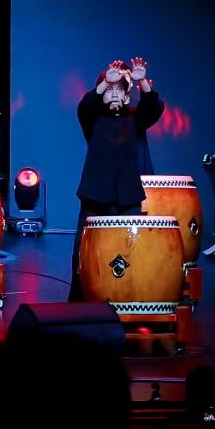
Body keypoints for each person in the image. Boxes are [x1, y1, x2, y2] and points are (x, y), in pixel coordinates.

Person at [71, 57, 163, 299]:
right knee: (85, 252)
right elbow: (85, 106)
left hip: (127, 196)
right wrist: (105, 83)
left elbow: (152, 109)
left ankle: (129, 300)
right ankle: (81, 303)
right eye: (109, 90)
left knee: (131, 250)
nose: (114, 94)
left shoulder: (134, 118)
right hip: (95, 195)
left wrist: (142, 82)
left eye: (119, 90)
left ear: (126, 97)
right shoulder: (93, 119)